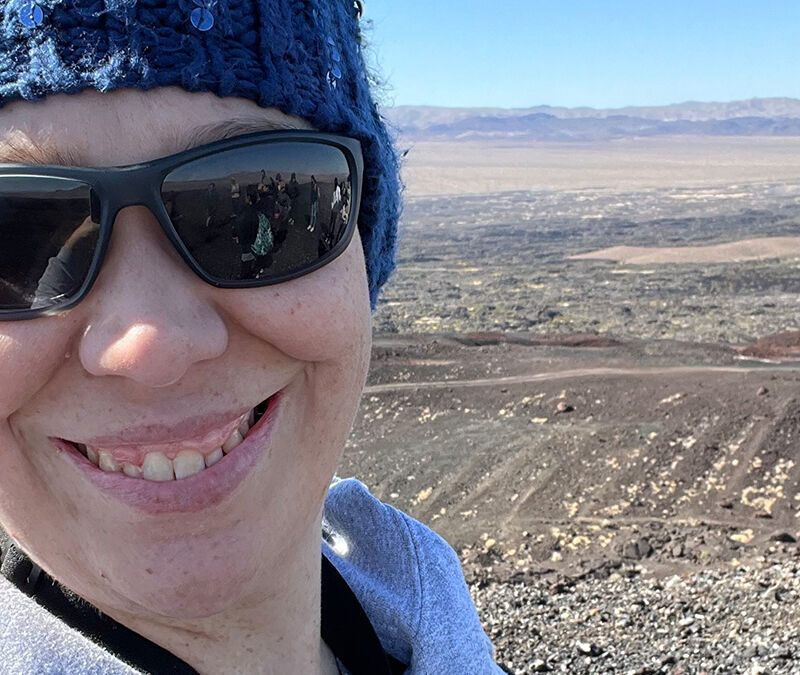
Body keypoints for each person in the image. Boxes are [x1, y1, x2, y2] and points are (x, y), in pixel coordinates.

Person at [0, 1, 504, 674]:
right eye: (18, 239)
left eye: (258, 210)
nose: (151, 348)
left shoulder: (425, 613)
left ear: (360, 245)